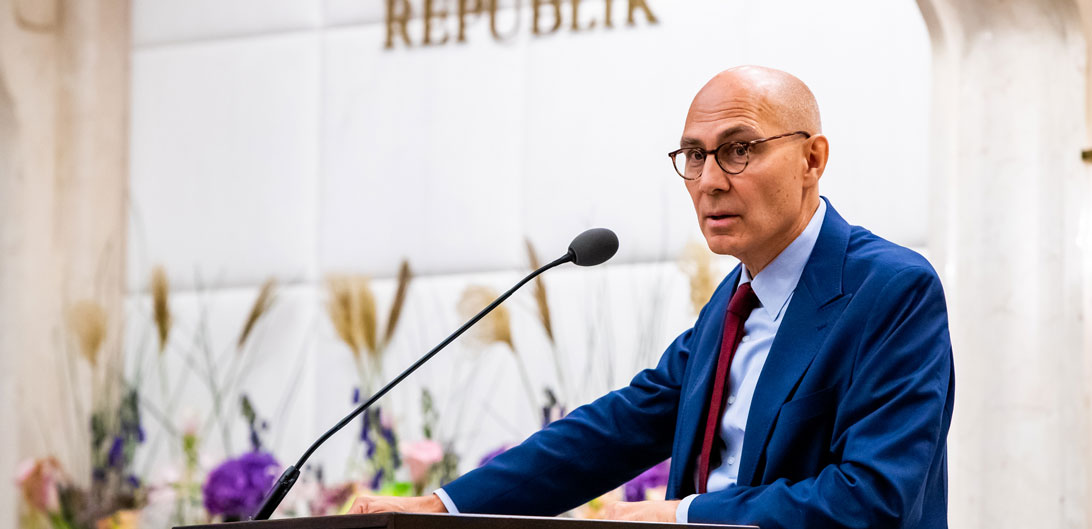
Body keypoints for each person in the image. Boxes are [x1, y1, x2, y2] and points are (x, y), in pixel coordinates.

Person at [348, 66, 955, 529]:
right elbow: (618, 427)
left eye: (739, 149)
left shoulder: (891, 290)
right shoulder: (733, 300)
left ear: (812, 160)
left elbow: (873, 498)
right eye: (694, 156)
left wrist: (686, 517)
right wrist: (444, 506)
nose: (712, 180)